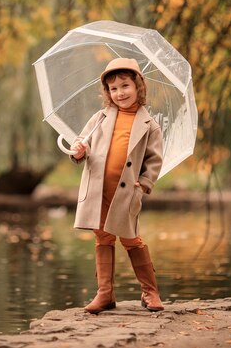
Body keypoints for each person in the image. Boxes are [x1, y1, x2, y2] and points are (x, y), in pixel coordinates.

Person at [70, 57, 164, 314]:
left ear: (138, 87)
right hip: (98, 189)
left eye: (125, 86)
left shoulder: (149, 125)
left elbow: (155, 159)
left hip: (126, 191)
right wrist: (78, 150)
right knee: (102, 237)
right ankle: (105, 293)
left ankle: (150, 291)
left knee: (131, 238)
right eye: (113, 89)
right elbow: (82, 143)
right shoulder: (100, 118)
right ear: (107, 92)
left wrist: (143, 183)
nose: (120, 93)